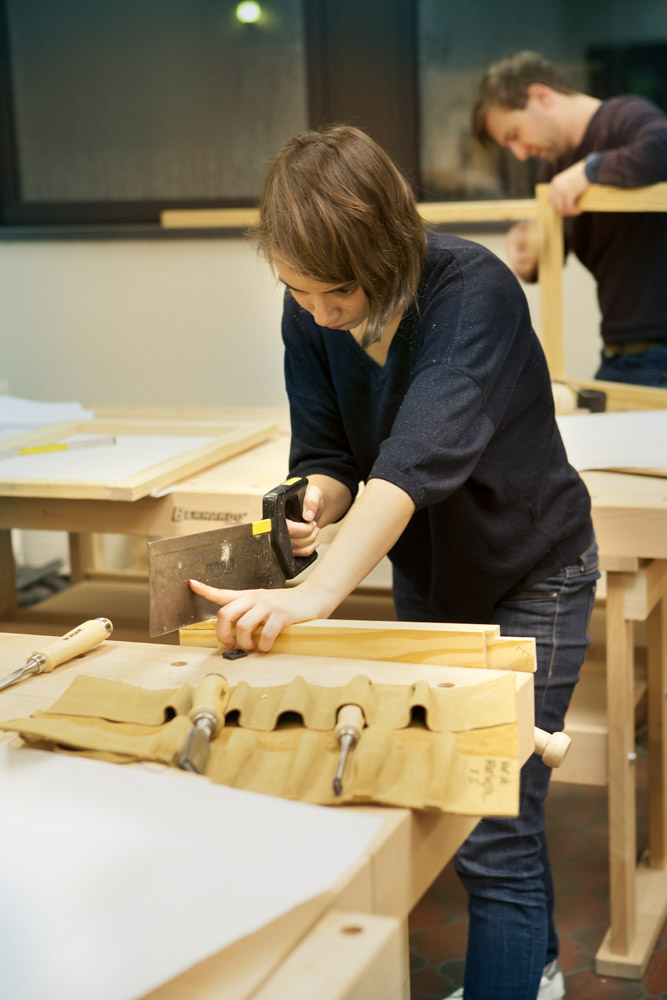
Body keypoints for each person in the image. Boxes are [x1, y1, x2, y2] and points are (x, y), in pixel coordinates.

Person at [190, 125, 599, 999]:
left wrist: (321, 591)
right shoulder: (310, 310)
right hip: (436, 575)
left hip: (537, 569)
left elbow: (416, 456)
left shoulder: (473, 290)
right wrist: (316, 500)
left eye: (336, 291)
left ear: (388, 247)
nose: (318, 312)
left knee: (490, 815)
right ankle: (533, 966)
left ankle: (520, 971)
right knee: (482, 804)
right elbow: (330, 449)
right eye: (297, 291)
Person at [472, 51, 667, 388]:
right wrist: (529, 255)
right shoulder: (556, 165)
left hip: (656, 353)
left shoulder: (625, 116)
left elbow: (662, 147)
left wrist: (591, 171)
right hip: (619, 351)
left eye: (515, 134)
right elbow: (554, 253)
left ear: (541, 96)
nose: (519, 154)